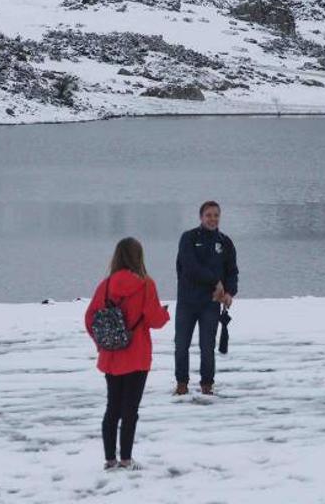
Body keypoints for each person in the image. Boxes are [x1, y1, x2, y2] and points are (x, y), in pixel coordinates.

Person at [85, 237, 170, 471]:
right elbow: (153, 319)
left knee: (112, 408)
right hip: (137, 356)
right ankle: (126, 460)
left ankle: (110, 460)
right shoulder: (146, 284)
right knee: (130, 410)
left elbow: (90, 318)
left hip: (111, 357)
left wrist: (101, 343)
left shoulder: (105, 285)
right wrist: (165, 315)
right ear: (138, 257)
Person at [174, 201, 239, 396]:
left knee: (207, 346)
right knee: (181, 345)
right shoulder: (189, 238)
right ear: (201, 217)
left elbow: (232, 271)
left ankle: (207, 385)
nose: (212, 219)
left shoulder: (225, 242)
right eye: (208, 215)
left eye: (216, 215)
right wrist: (215, 282)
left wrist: (229, 292)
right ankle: (182, 384)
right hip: (187, 301)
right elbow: (189, 268)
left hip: (210, 303)